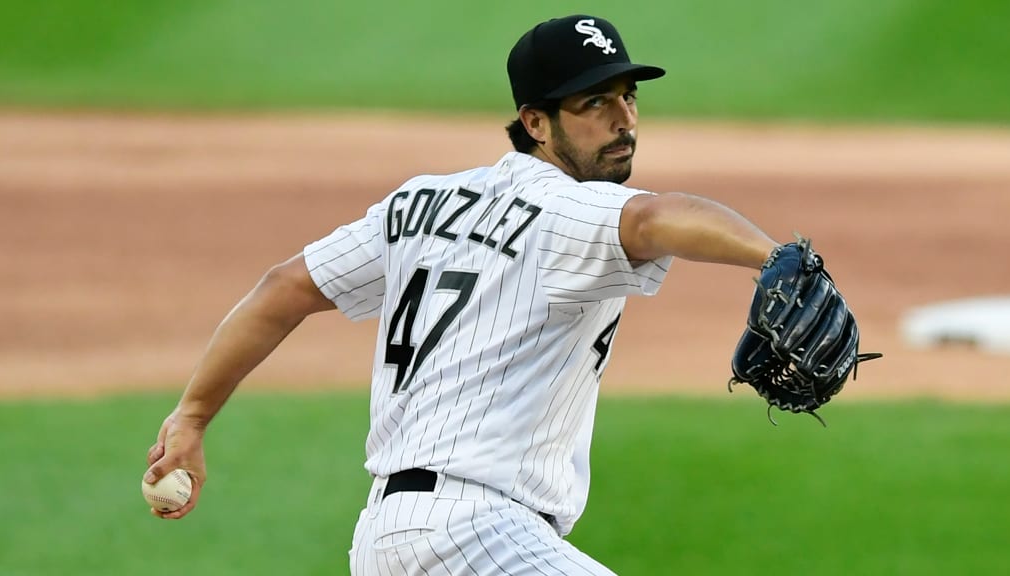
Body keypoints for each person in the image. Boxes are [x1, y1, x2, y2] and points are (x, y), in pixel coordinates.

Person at [144, 14, 781, 575]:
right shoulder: (569, 208)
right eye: (594, 103)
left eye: (628, 96)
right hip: (475, 533)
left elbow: (283, 287)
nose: (624, 120)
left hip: (386, 540)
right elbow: (655, 217)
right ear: (535, 121)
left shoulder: (417, 204)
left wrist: (192, 417)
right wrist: (776, 259)